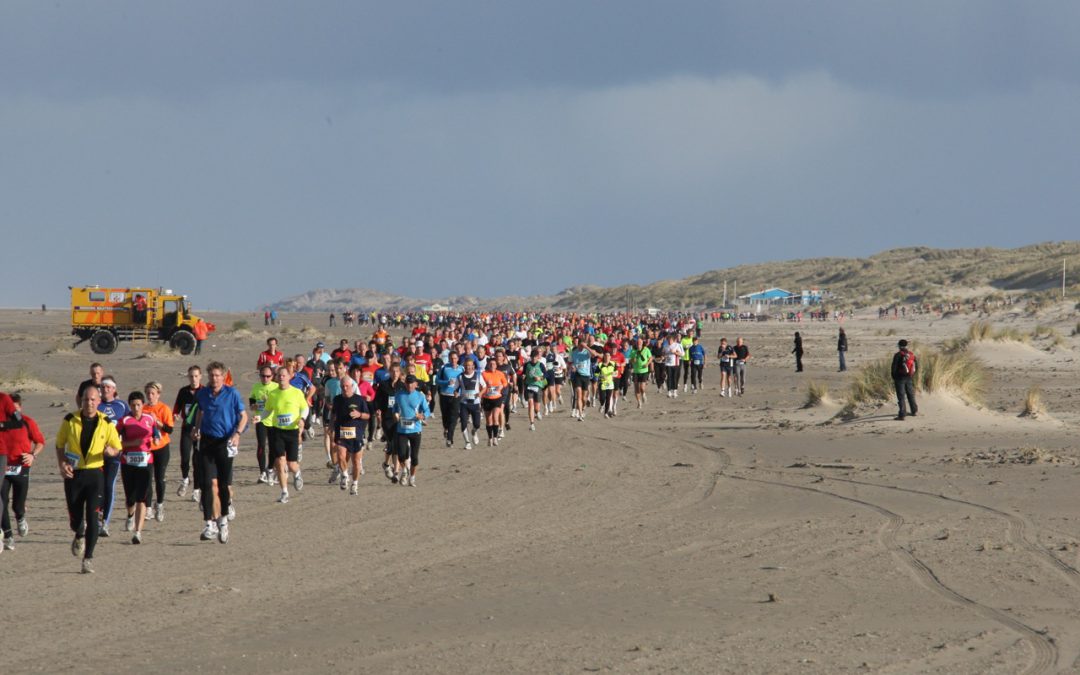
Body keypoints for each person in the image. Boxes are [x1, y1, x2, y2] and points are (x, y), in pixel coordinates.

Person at [55, 386, 123, 573]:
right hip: (74, 474)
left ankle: (88, 559)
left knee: (93, 517)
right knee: (76, 519)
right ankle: (78, 533)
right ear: (81, 401)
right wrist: (62, 463)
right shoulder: (70, 420)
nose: (89, 403)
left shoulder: (106, 422)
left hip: (95, 475)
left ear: (98, 402)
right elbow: (59, 444)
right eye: (86, 400)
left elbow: (117, 447)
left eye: (93, 400)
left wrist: (111, 451)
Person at [192, 362, 248, 543]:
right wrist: (196, 428)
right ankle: (210, 524)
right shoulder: (203, 394)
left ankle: (223, 520)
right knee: (208, 485)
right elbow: (200, 411)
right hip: (207, 442)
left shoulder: (232, 394)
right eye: (211, 375)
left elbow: (244, 416)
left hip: (225, 442)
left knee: (223, 486)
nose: (214, 379)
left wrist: (237, 434)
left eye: (217, 375)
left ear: (223, 377)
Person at [1, 394, 44, 552]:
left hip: (21, 466)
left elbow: (40, 441)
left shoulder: (27, 422)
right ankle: (8, 536)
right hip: (3, 467)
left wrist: (33, 455)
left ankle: (20, 517)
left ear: (20, 408)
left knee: (18, 505)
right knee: (1, 502)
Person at [263, 365, 308, 503]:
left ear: (289, 377)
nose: (281, 377)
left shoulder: (296, 392)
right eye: (279, 375)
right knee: (280, 462)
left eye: (284, 375)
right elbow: (268, 410)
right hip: (277, 431)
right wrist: (259, 418)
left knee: (291, 464)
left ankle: (297, 474)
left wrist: (302, 419)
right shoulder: (273, 394)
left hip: (292, 431)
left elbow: (305, 408)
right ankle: (284, 492)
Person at [117, 391, 156, 544]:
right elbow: (115, 443)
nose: (136, 408)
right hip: (128, 462)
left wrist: (154, 442)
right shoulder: (124, 421)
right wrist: (132, 443)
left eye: (139, 405)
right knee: (130, 498)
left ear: (142, 405)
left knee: (142, 497)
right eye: (133, 405)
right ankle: (130, 515)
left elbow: (157, 437)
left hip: (146, 461)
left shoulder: (149, 419)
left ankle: (138, 532)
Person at [97, 377, 130, 538]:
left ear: (114, 389)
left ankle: (105, 522)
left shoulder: (122, 406)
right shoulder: (95, 404)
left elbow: (129, 424)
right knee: (97, 486)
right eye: (103, 387)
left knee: (109, 485)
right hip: (95, 454)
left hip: (115, 454)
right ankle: (96, 517)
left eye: (108, 387)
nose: (105, 389)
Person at [142, 382, 174, 522]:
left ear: (158, 394)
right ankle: (148, 508)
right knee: (147, 478)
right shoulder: (142, 409)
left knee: (159, 478)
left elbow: (170, 429)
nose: (150, 396)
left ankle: (159, 504)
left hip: (162, 447)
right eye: (148, 393)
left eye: (153, 393)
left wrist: (158, 422)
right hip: (147, 448)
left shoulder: (164, 408)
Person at [332, 376, 370, 494]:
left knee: (356, 461)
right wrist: (330, 426)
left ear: (352, 387)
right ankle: (344, 475)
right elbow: (333, 414)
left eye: (347, 386)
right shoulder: (337, 399)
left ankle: (355, 484)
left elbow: (368, 416)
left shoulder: (359, 400)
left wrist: (359, 414)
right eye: (342, 386)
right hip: (341, 432)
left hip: (356, 434)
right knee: (340, 455)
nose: (344, 388)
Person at [391, 375, 430, 486]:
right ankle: (405, 470)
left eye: (411, 383)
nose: (409, 385)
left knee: (415, 457)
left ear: (416, 384)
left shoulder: (420, 396)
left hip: (415, 430)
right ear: (405, 384)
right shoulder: (399, 395)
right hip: (402, 430)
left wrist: (422, 416)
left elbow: (427, 410)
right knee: (401, 455)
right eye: (407, 383)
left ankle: (412, 477)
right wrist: (395, 414)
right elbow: (395, 408)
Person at [172, 365, 202, 500]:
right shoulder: (183, 391)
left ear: (200, 376)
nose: (193, 379)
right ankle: (185, 479)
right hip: (187, 428)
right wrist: (175, 415)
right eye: (191, 376)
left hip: (201, 430)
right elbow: (176, 408)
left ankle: (196, 489)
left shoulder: (205, 391)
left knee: (197, 460)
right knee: (184, 457)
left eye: (196, 376)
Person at [249, 365, 278, 484]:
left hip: (274, 421)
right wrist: (253, 406)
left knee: (273, 447)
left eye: (268, 376)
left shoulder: (276, 387)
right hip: (260, 420)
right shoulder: (256, 387)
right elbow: (252, 403)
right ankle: (262, 473)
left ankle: (270, 469)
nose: (265, 379)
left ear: (272, 376)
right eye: (263, 376)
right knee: (261, 445)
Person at [480, 359, 509, 445]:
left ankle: (495, 437)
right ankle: (490, 438)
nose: (492, 365)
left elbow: (505, 382)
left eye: (494, 364)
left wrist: (501, 386)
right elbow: (480, 385)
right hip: (487, 398)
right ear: (488, 365)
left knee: (495, 417)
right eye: (491, 364)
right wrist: (485, 386)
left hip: (497, 398)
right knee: (489, 420)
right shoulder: (484, 374)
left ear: (496, 366)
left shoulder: (500, 373)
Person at [891, 339, 918, 420]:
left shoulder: (898, 355)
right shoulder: (911, 354)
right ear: (906, 346)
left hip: (899, 378)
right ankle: (914, 411)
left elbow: (893, 368)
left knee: (901, 396)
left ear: (899, 346)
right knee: (911, 395)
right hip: (909, 377)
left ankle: (902, 414)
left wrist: (894, 377)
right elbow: (916, 366)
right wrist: (911, 375)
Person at [522, 349, 547, 429]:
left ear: (538, 357)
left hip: (538, 386)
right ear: (530, 357)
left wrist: (540, 378)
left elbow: (546, 375)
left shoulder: (541, 365)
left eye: (535, 357)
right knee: (530, 403)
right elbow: (523, 373)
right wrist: (523, 376)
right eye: (532, 357)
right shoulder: (527, 365)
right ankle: (532, 424)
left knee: (536, 407)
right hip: (529, 385)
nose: (533, 359)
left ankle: (537, 412)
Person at [627, 337, 653, 408]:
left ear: (642, 343)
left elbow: (651, 358)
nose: (639, 344)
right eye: (637, 343)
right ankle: (639, 402)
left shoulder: (646, 349)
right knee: (636, 388)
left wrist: (647, 364)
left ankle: (643, 394)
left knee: (642, 387)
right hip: (636, 371)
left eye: (640, 342)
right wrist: (633, 360)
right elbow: (630, 360)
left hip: (644, 370)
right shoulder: (633, 351)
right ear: (636, 343)